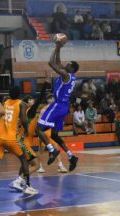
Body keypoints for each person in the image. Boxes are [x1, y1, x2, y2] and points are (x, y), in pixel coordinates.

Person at [0, 86, 38, 201]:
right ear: (19, 94)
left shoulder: (5, 102)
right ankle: (27, 186)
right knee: (24, 160)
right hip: (11, 138)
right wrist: (26, 130)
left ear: (9, 94)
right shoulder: (21, 104)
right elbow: (24, 120)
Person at [36, 40, 79, 172]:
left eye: (69, 64)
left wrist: (56, 47)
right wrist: (59, 48)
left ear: (72, 69)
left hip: (57, 105)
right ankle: (71, 156)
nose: (66, 64)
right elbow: (59, 62)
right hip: (64, 107)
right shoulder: (68, 75)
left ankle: (52, 150)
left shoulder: (66, 75)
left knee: (39, 129)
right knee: (54, 135)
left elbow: (51, 63)